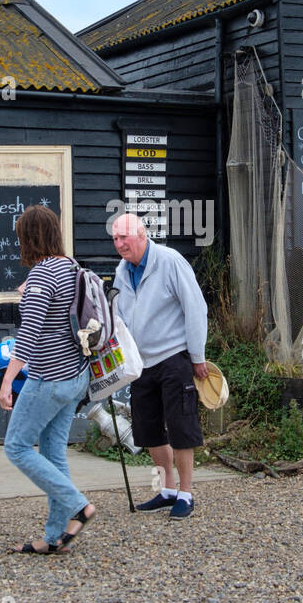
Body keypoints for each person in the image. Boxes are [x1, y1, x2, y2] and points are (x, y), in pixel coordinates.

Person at [0, 205, 95, 553]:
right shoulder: (70, 268)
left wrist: (8, 380)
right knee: (54, 453)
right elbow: (56, 314)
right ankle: (55, 538)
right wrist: (29, 294)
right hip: (75, 376)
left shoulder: (43, 274)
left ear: (28, 238)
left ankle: (78, 505)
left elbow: (30, 333)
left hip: (49, 379)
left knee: (17, 446)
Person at [110, 212, 209, 519]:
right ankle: (167, 489)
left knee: (181, 426)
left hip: (173, 356)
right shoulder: (122, 271)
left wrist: (198, 356)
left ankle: (186, 493)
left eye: (124, 237)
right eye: (115, 239)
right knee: (148, 429)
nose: (120, 244)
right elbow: (118, 314)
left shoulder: (170, 261)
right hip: (140, 362)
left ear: (141, 235)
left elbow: (195, 308)